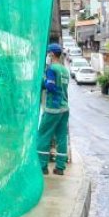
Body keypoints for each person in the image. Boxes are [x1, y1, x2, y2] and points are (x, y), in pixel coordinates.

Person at [36, 43, 70, 176]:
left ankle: (42, 166)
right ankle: (60, 167)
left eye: (48, 53)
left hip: (53, 108)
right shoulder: (64, 70)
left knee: (43, 135)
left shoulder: (52, 69)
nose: (48, 56)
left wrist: (42, 83)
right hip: (64, 108)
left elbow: (50, 86)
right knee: (62, 137)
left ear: (51, 54)